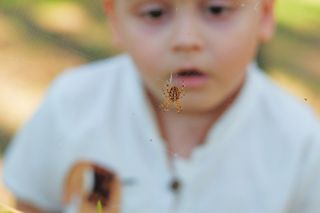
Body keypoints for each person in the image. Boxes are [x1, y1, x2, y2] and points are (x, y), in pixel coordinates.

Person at [3, 0, 320, 212]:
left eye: (217, 9)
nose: (186, 39)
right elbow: (31, 201)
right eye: (154, 13)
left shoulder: (301, 141)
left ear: (264, 15)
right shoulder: (71, 103)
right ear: (115, 21)